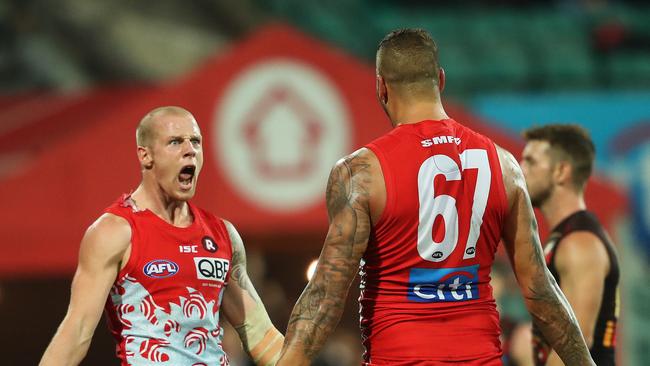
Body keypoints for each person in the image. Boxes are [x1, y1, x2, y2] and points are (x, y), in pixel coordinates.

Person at [276, 28, 595, 365]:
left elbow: (325, 295)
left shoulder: (361, 174)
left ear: (381, 87)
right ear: (440, 80)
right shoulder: (505, 166)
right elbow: (541, 294)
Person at [40, 106, 283, 366]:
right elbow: (76, 333)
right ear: (146, 156)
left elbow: (261, 336)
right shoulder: (115, 232)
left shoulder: (222, 235)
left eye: (196, 141)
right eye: (175, 142)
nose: (190, 149)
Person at [521, 124, 619, 365]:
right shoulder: (565, 237)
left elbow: (576, 347)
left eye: (530, 162)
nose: (520, 170)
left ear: (561, 172)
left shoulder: (579, 243)